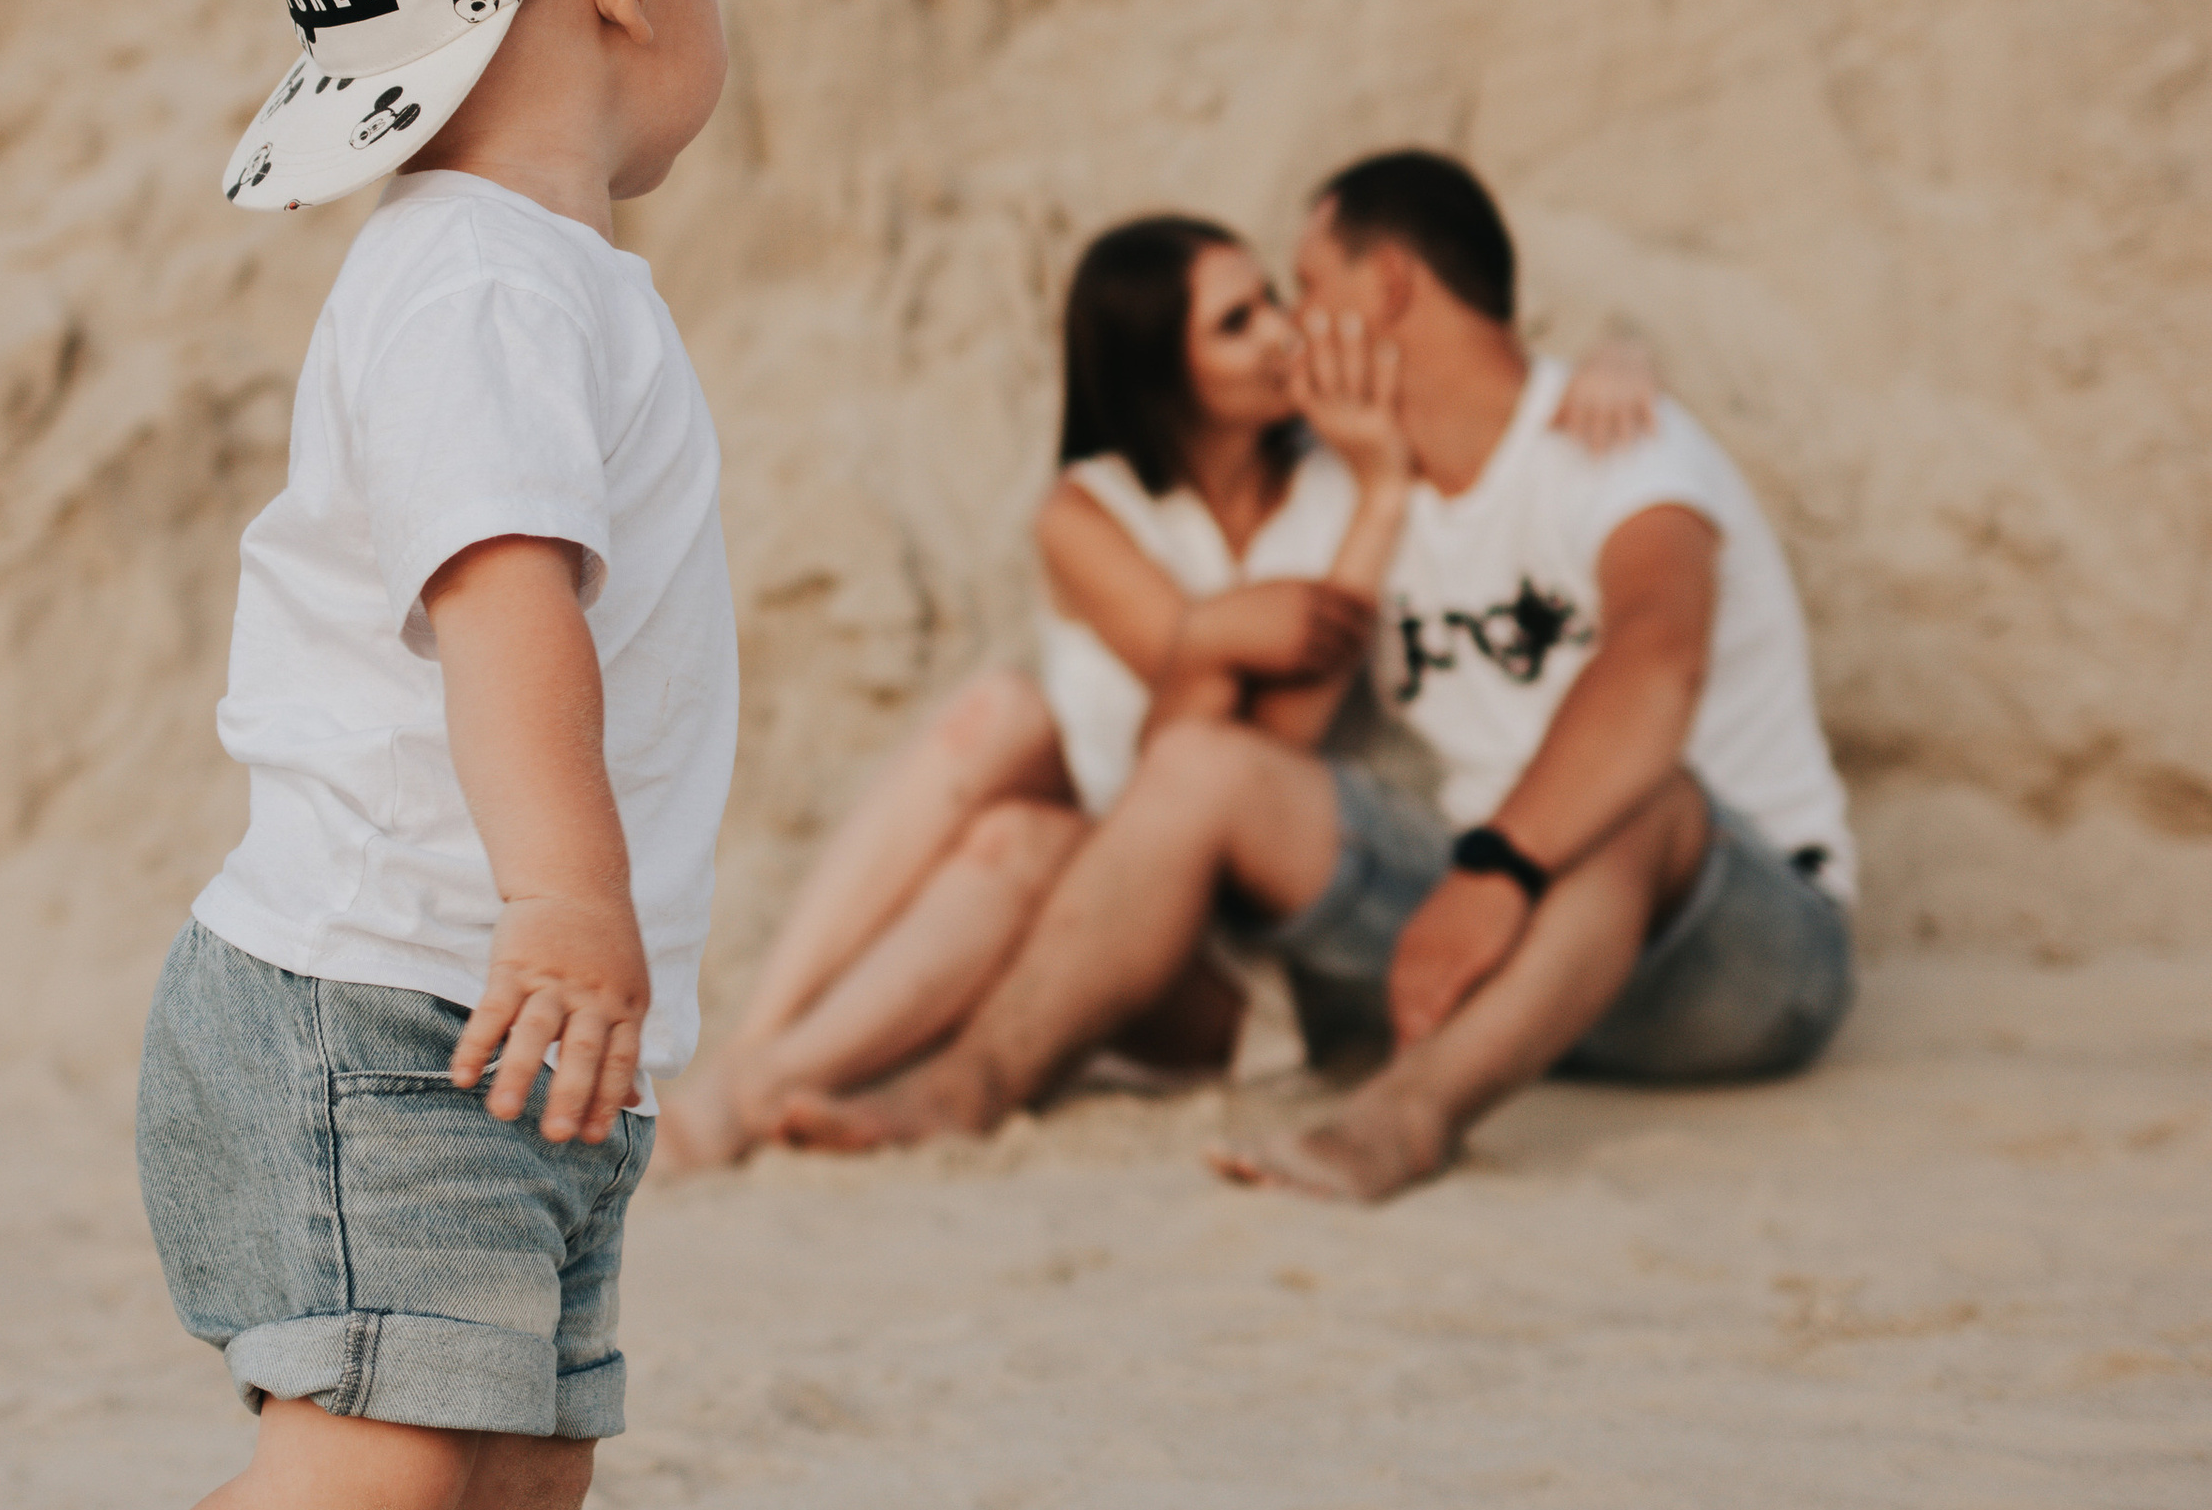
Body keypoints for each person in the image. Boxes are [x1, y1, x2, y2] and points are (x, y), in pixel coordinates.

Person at [11, 0, 772, 1510]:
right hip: (381, 1013)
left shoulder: (528, 276)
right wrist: (573, 889)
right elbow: (498, 597)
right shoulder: (472, 284)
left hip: (498, 1015)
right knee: (361, 1462)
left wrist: (567, 934)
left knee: (511, 1457)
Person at [778, 150, 1853, 1199]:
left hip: (1737, 950)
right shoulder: (1349, 482)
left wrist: (1495, 873)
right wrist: (1374, 494)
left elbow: (1655, 664)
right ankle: (971, 1084)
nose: (1290, 325)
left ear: (1384, 287)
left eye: (1302, 288)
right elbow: (1245, 754)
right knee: (1206, 763)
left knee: (1639, 794)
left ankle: (1400, 1121)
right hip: (1490, 949)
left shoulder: (1620, 443)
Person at [659, 217, 1651, 1172]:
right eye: (1237, 321)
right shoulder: (1092, 510)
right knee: (1001, 717)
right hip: (1104, 852)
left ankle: (759, 1079)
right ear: (1161, 369)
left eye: (1271, 298)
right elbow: (1181, 717)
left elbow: (1257, 741)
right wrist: (1219, 632)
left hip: (1215, 937)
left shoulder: (1342, 478)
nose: (1281, 329)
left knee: (1023, 839)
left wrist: (1618, 357)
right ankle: (756, 1056)